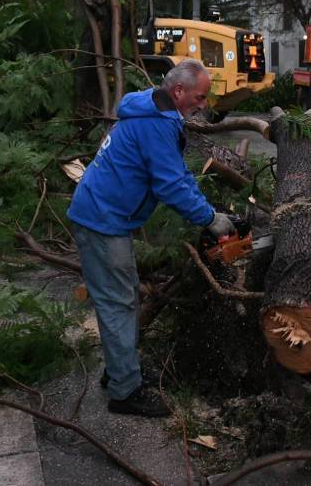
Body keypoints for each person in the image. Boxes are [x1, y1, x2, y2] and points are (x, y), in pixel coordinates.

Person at [67, 60, 235, 417]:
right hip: (101, 220)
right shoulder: (156, 124)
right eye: (200, 97)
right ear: (179, 92)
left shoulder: (153, 107)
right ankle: (125, 392)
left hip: (104, 215)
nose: (203, 105)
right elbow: (170, 185)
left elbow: (176, 173)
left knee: (122, 296)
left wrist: (210, 210)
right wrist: (208, 219)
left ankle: (119, 370)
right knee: (118, 302)